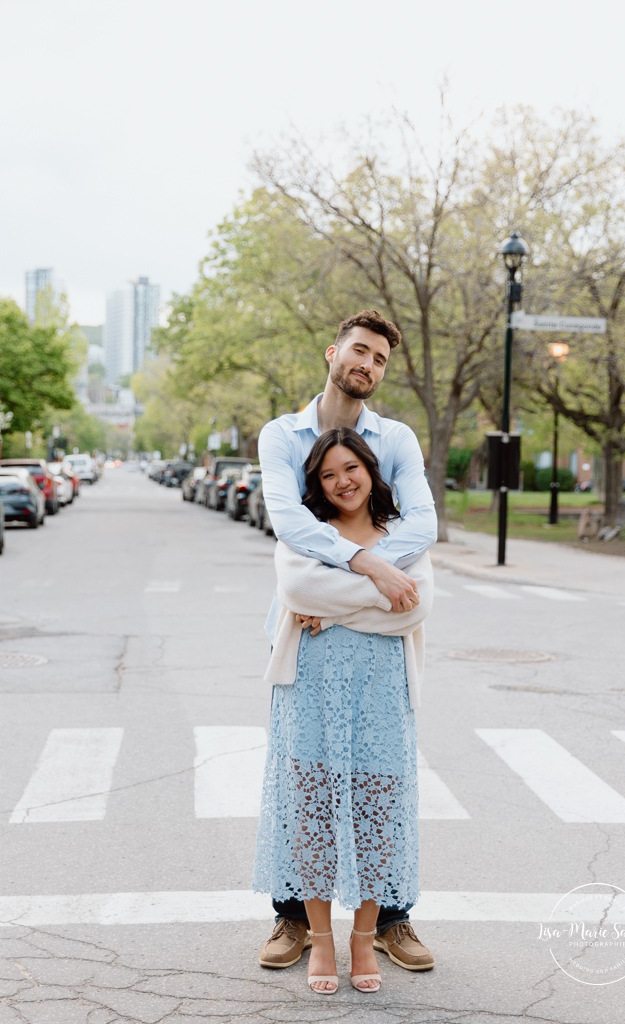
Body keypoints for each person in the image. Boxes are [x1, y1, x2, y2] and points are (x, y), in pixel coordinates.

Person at [257, 309, 437, 973]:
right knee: (303, 785)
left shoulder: (395, 439)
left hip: (378, 660)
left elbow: (421, 527)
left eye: (380, 359)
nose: (367, 364)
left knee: (381, 789)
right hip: (305, 651)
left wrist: (347, 591)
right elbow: (290, 529)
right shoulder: (281, 434)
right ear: (333, 351)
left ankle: (390, 919)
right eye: (359, 351)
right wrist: (370, 568)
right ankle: (291, 918)